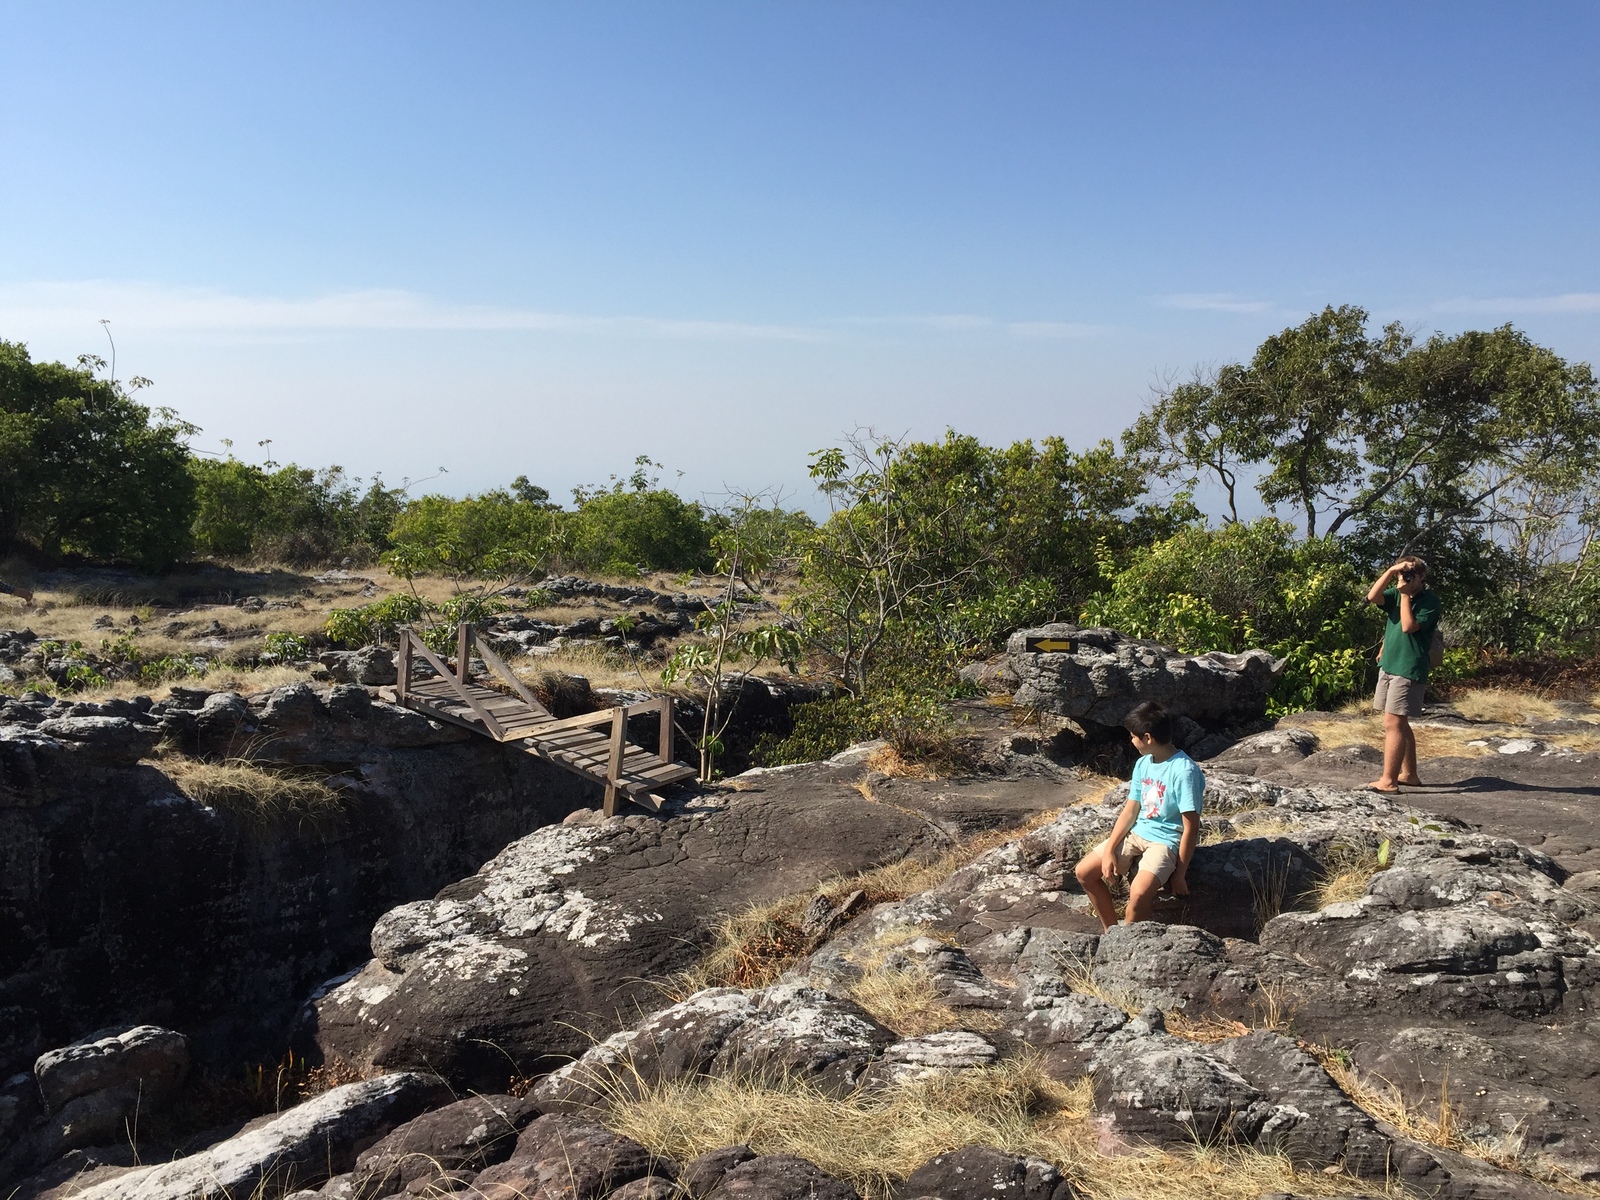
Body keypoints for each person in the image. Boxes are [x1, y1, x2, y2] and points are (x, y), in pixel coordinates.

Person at [1074, 701, 1204, 931]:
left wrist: (1179, 874)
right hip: (1137, 832)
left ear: (1148, 738)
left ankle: (1128, 941)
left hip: (1165, 841)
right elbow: (1130, 810)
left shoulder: (1184, 771)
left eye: (1133, 736)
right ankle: (1110, 932)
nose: (1131, 741)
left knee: (1139, 892)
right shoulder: (1144, 763)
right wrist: (1109, 851)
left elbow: (1191, 826)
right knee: (1084, 872)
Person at [1365, 556, 1442, 793]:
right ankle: (1409, 774)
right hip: (1390, 664)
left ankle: (1389, 780)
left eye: (1410, 575)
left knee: (1393, 722)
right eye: (1403, 575)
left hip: (1408, 668)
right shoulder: (1396, 593)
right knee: (1399, 722)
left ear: (1422, 577)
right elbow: (1372, 597)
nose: (1405, 579)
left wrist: (1406, 595)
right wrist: (1390, 571)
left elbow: (1408, 626)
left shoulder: (1429, 601)